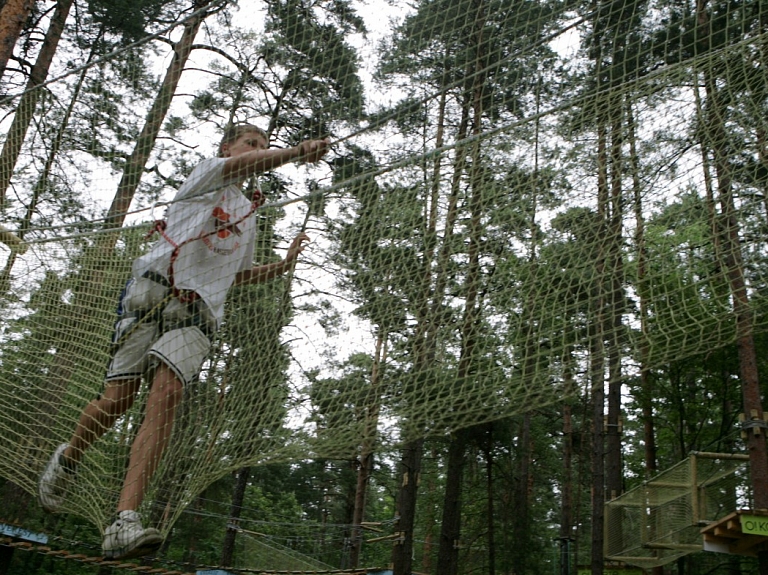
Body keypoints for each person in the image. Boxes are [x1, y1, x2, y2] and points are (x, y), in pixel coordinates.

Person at [38, 123, 330, 560]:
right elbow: (243, 166)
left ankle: (124, 520)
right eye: (252, 143)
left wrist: (282, 266)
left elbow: (237, 273)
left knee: (169, 393)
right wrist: (295, 151)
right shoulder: (208, 173)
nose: (258, 151)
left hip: (198, 312)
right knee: (118, 399)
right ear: (227, 147)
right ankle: (68, 460)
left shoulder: (248, 213)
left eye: (263, 147)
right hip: (151, 295)